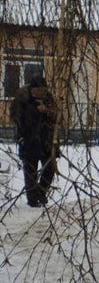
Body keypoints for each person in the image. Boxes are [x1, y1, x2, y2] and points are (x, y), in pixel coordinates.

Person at [10, 75, 57, 207]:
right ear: (32, 89)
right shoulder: (22, 99)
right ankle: (32, 200)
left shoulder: (48, 98)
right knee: (30, 171)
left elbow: (56, 116)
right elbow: (18, 119)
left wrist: (47, 111)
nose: (40, 93)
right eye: (38, 90)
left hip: (46, 140)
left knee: (50, 167)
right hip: (29, 140)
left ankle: (41, 193)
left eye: (43, 90)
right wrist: (36, 111)